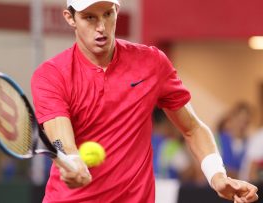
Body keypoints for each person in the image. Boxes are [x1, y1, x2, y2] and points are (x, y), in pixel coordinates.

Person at [31, 0, 259, 202]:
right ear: (70, 18)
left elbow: (193, 128)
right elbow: (60, 139)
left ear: (117, 11)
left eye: (108, 14)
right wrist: (70, 159)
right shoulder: (51, 75)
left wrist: (216, 175)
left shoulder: (152, 63)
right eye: (89, 17)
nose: (101, 27)